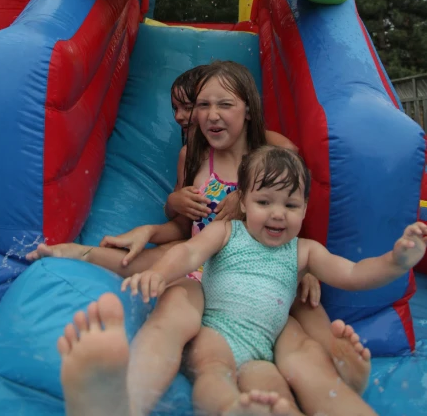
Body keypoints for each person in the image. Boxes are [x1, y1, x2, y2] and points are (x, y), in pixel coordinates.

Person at [31, 62, 372, 415]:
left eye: (224, 105)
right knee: (144, 268)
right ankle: (74, 254)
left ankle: (342, 369)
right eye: (202, 105)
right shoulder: (192, 155)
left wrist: (306, 265)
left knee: (308, 307)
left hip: (265, 266)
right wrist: (164, 212)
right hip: (203, 259)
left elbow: (293, 204)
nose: (210, 115)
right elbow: (183, 226)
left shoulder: (273, 155)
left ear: (249, 110)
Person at [121, 145, 427, 415]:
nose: (277, 214)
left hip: (262, 350)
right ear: (243, 202)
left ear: (305, 209)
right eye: (264, 202)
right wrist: (158, 274)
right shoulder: (227, 232)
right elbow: (189, 253)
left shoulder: (304, 252)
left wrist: (396, 261)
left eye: (290, 205)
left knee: (276, 394)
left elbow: (353, 274)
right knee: (213, 372)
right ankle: (228, 409)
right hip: (215, 329)